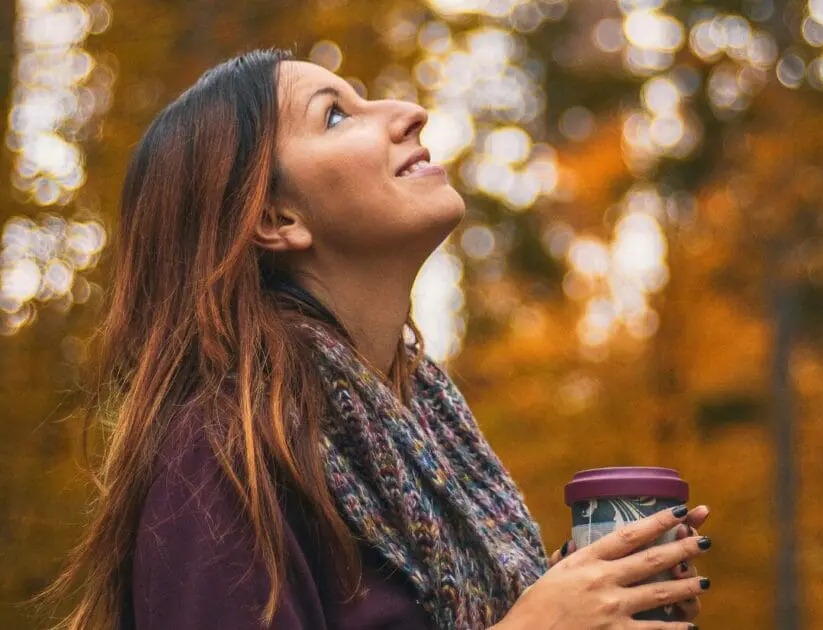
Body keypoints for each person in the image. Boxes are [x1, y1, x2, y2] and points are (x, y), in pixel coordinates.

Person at [40, 48, 712, 629]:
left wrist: (590, 600)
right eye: (335, 114)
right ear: (275, 217)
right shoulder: (224, 451)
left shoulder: (422, 434)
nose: (408, 112)